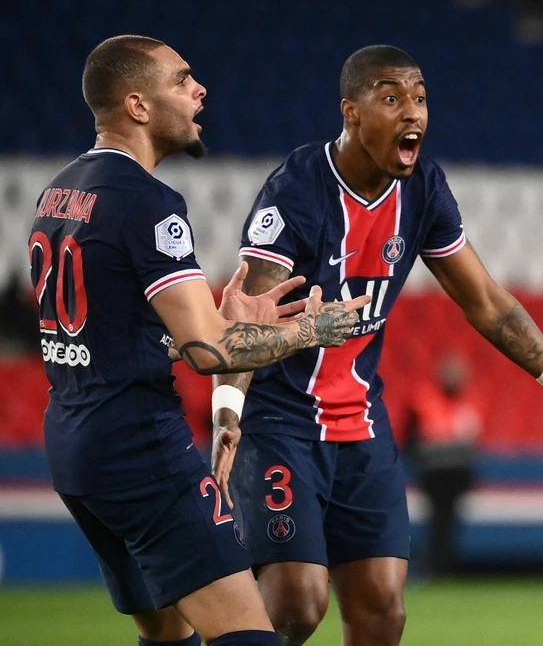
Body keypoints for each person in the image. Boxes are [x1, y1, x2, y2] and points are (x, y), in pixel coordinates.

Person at [211, 44, 543, 646]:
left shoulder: (422, 187)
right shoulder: (296, 191)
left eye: (420, 98)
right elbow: (242, 324)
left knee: (383, 612)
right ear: (351, 112)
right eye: (391, 97)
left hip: (360, 423)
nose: (412, 112)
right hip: (280, 421)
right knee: (298, 605)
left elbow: (488, 303)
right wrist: (227, 412)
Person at [27, 35, 369, 646]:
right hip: (142, 451)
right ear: (138, 106)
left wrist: (225, 321)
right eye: (182, 80)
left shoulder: (59, 192)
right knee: (248, 634)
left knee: (168, 633)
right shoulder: (149, 202)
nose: (199, 90)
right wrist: (309, 330)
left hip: (76, 448)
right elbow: (207, 353)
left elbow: (122, 324)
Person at [398, 351, 483, 577]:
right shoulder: (424, 400)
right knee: (438, 519)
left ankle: (443, 564)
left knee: (448, 520)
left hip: (457, 474)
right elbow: (409, 438)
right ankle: (434, 564)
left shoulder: (468, 403)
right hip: (434, 473)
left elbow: (471, 442)